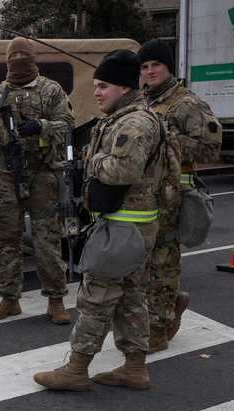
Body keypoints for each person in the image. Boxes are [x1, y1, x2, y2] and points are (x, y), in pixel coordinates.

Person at [34, 50, 167, 391]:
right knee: (130, 298)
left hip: (124, 227)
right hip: (132, 225)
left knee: (96, 296)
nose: (97, 92)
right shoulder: (125, 117)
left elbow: (123, 169)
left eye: (103, 85)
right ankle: (134, 368)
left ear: (124, 87)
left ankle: (76, 369)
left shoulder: (134, 122)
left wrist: (89, 161)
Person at [0, 37, 74, 325]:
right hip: (4, 175)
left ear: (34, 58)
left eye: (24, 53)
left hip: (42, 173)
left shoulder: (50, 89)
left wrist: (40, 127)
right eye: (13, 54)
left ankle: (55, 300)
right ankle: (9, 299)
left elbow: (67, 124)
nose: (18, 58)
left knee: (48, 238)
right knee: (3, 238)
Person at [139, 39, 223, 352]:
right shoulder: (146, 102)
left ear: (168, 66)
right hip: (145, 194)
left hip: (174, 194)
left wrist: (166, 138)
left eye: (155, 65)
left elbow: (210, 148)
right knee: (146, 262)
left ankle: (158, 329)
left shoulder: (187, 103)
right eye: (145, 67)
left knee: (163, 262)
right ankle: (172, 302)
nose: (149, 71)